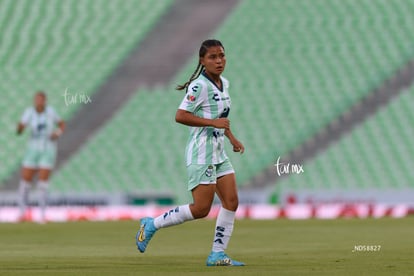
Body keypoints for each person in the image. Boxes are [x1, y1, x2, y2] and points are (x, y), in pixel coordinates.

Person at [136, 39, 245, 266]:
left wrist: (232, 138)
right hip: (201, 153)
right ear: (202, 61)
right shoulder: (199, 86)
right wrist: (212, 123)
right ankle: (151, 224)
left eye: (221, 55)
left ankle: (217, 254)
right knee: (201, 208)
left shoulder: (225, 83)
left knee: (232, 201)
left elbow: (221, 119)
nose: (219, 61)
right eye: (213, 57)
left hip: (218, 153)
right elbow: (180, 115)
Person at [17, 91, 65, 223]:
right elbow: (20, 129)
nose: (38, 102)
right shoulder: (29, 112)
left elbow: (62, 124)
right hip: (32, 149)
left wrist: (57, 133)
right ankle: (22, 213)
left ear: (45, 101)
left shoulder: (51, 111)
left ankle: (42, 215)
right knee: (25, 181)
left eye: (41, 99)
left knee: (43, 183)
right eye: (36, 99)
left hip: (48, 149)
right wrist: (20, 127)